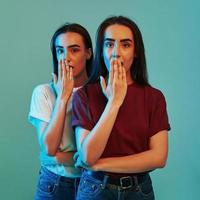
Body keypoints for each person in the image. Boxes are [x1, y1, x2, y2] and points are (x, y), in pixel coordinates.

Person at [72, 16, 170, 200]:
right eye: (109, 45)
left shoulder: (154, 97)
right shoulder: (83, 95)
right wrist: (114, 102)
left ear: (136, 52)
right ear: (100, 51)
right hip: (94, 189)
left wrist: (100, 165)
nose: (116, 53)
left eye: (125, 45)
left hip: (139, 191)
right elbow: (87, 155)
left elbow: (158, 157)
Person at [28, 22, 93, 200]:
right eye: (60, 51)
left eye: (74, 50)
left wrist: (60, 157)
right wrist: (63, 97)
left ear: (88, 53)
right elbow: (49, 148)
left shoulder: (100, 93)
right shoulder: (43, 92)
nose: (66, 58)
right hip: (53, 182)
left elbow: (98, 155)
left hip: (93, 182)